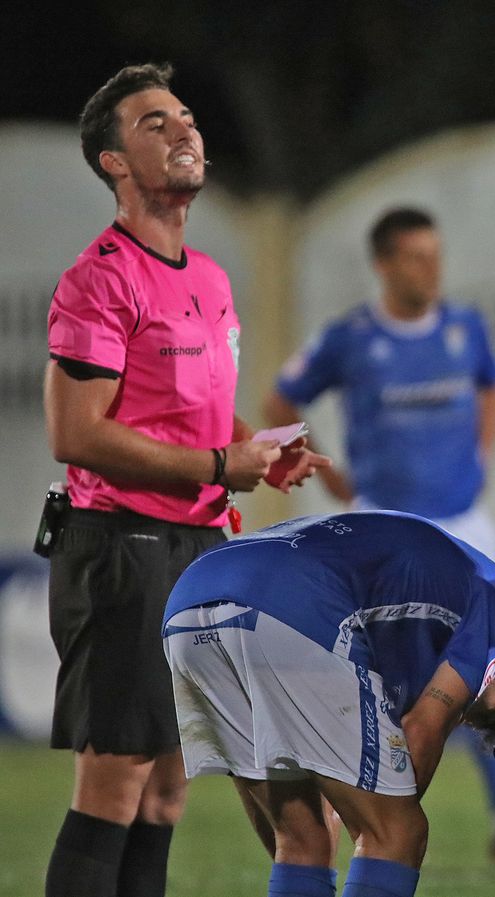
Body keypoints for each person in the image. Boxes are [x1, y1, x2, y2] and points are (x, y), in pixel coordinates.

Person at [41, 63, 328, 897]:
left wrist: (256, 447)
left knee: (168, 792)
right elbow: (76, 433)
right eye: (154, 124)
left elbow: (198, 415)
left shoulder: (208, 276)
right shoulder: (98, 279)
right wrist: (216, 466)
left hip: (200, 547)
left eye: (187, 117)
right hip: (122, 548)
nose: (184, 132)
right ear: (114, 163)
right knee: (115, 785)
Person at [263, 208, 495, 866]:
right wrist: (329, 474)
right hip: (385, 529)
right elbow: (280, 402)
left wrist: (482, 450)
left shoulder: (464, 327)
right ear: (385, 265)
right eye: (417, 257)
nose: (432, 269)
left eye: (435, 255)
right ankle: (346, 809)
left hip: (464, 522)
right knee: (369, 671)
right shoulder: (349, 338)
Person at [161, 511, 495, 897]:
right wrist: (381, 825)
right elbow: (425, 726)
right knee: (399, 832)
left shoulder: (415, 624)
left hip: (189, 605)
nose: (463, 713)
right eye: (482, 711)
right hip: (286, 606)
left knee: (303, 840)